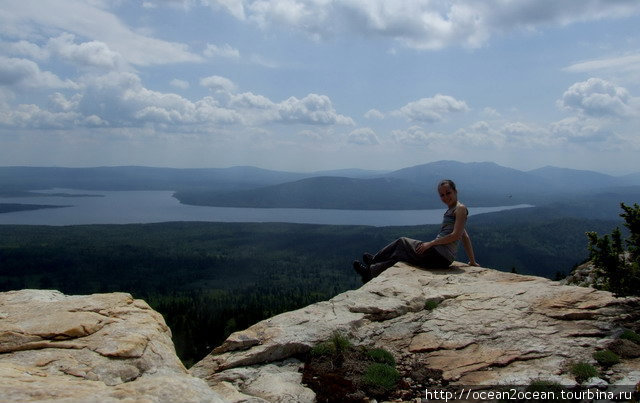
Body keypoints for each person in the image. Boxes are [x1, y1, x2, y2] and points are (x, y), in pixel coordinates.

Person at [353, 179, 479, 283]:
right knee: (400, 256)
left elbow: (456, 235)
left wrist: (431, 244)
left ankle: (373, 261)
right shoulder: (452, 210)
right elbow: (464, 236)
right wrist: (472, 261)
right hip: (440, 257)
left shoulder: (460, 208)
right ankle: (370, 272)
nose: (445, 197)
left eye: (448, 193)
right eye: (442, 195)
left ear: (455, 191)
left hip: (439, 255)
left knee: (402, 242)